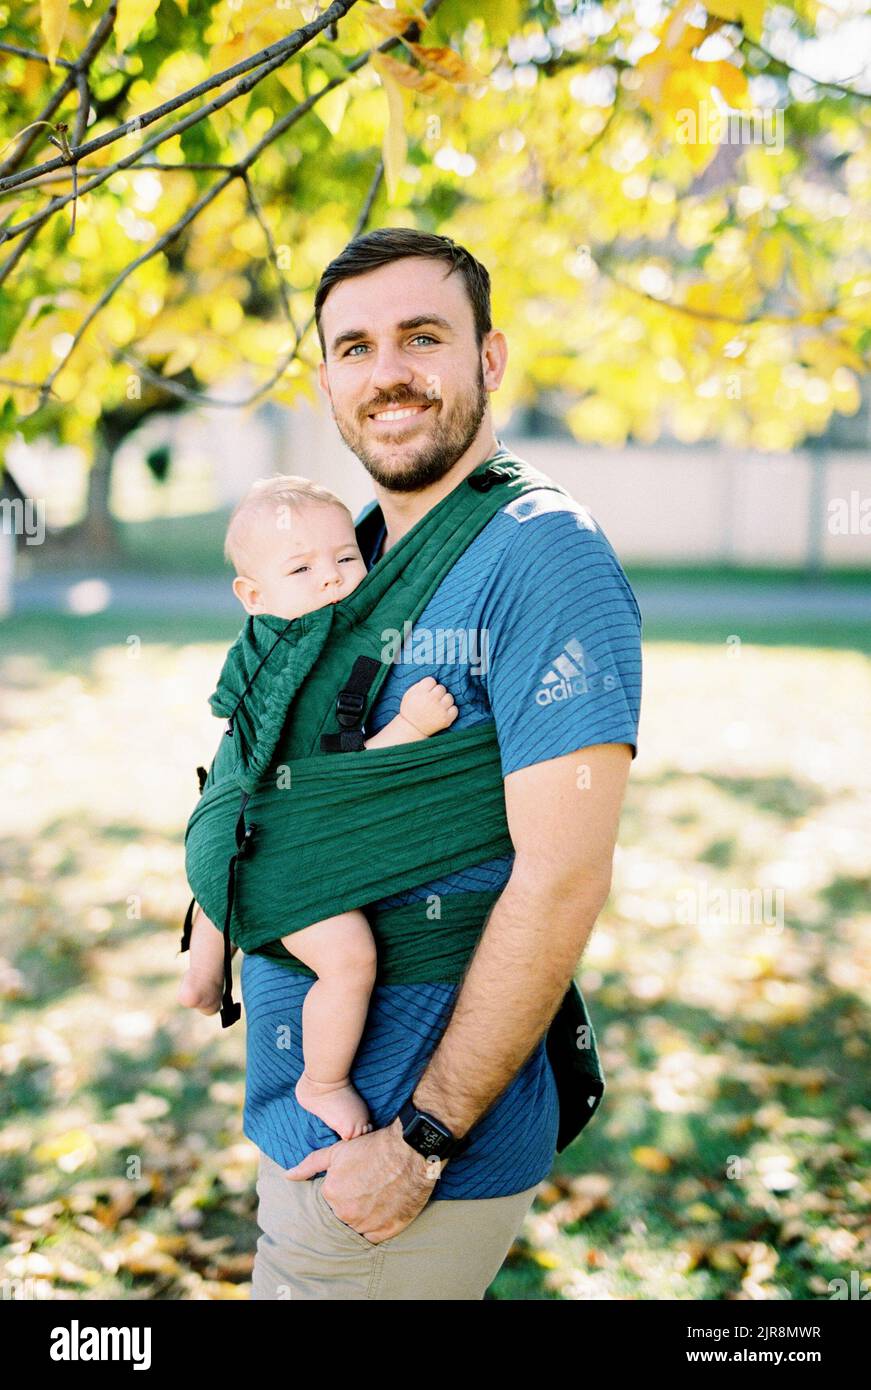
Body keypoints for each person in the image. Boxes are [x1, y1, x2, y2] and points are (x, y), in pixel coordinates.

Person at [245, 228, 643, 1300]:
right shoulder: (351, 553)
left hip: (404, 1153)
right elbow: (269, 760)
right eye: (355, 346)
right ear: (325, 374)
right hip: (309, 1118)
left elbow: (562, 875)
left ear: (489, 358)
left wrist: (419, 1140)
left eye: (423, 336)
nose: (389, 373)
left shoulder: (540, 553)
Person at [178, 474, 458, 1141]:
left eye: (345, 558)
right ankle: (323, 1080)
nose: (332, 579)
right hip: (274, 845)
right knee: (349, 959)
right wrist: (409, 729)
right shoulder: (316, 661)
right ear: (253, 595)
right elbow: (331, 781)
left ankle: (203, 972)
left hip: (225, 841)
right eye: (302, 567)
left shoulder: (258, 647)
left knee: (227, 875)